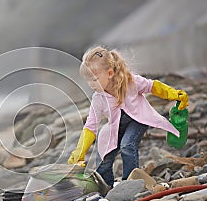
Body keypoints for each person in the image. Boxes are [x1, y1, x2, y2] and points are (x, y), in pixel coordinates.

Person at [68, 46, 188, 188]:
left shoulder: (130, 82)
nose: (91, 84)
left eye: (94, 79)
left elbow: (152, 86)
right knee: (104, 153)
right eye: (88, 80)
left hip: (138, 120)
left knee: (127, 146)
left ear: (110, 73)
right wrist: (80, 151)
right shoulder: (98, 98)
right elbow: (91, 125)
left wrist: (173, 94)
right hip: (116, 125)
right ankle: (105, 185)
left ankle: (131, 182)